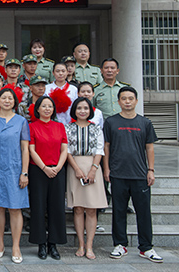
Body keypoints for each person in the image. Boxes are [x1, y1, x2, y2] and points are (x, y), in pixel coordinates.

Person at [103, 87, 162, 263]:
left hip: (140, 175)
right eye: (124, 98)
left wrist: (151, 170)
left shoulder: (145, 123)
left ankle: (146, 247)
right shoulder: (111, 122)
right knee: (118, 211)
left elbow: (149, 147)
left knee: (143, 212)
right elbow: (106, 147)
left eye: (130, 98)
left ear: (136, 101)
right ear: (118, 101)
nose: (127, 101)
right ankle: (120, 244)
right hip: (118, 174)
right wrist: (106, 169)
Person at [0, 88, 30, 264]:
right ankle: (0, 244)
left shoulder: (21, 121)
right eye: (3, 98)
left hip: (14, 169)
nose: (7, 101)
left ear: (15, 102)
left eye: (10, 98)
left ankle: (16, 246)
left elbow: (25, 148)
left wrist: (24, 172)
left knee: (15, 208)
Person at [65, 97, 108, 260]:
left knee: (91, 208)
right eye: (79, 108)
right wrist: (76, 169)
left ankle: (90, 245)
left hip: (92, 166)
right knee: (78, 208)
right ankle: (81, 245)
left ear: (90, 111)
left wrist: (93, 169)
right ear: (74, 110)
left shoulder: (96, 128)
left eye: (85, 108)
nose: (82, 111)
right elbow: (67, 150)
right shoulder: (67, 128)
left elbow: (100, 150)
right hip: (74, 167)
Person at [28, 96, 68, 260]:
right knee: (38, 207)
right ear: (37, 109)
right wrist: (44, 168)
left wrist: (58, 167)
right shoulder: (31, 126)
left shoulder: (59, 126)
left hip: (57, 170)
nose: (47, 109)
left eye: (50, 106)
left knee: (57, 206)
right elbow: (31, 149)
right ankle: (41, 244)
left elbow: (64, 149)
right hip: (38, 170)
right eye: (43, 106)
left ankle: (53, 244)